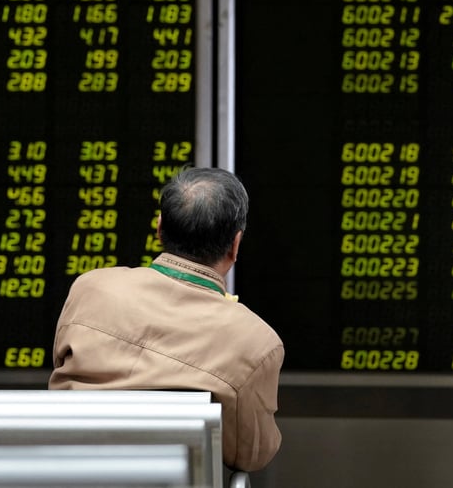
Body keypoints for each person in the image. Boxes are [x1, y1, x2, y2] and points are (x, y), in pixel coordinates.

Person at [49, 167, 284, 472]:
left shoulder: (89, 289)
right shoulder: (257, 342)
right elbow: (251, 455)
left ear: (159, 228)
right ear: (235, 244)